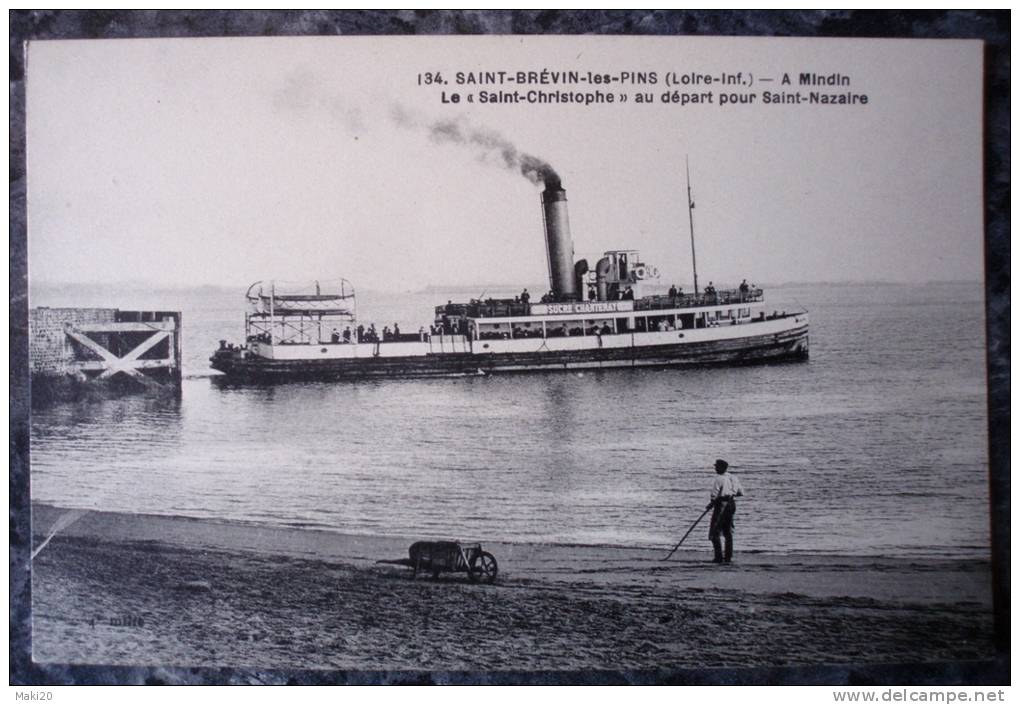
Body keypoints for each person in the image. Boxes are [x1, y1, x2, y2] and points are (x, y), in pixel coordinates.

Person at [706, 459, 744, 564]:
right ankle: (728, 557)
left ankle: (718, 557)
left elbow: (714, 495)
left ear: (722, 468)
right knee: (728, 531)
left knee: (715, 531)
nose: (715, 469)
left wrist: (711, 503)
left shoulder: (719, 479)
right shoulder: (733, 477)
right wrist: (730, 494)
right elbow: (741, 492)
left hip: (721, 505)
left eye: (717, 467)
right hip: (731, 504)